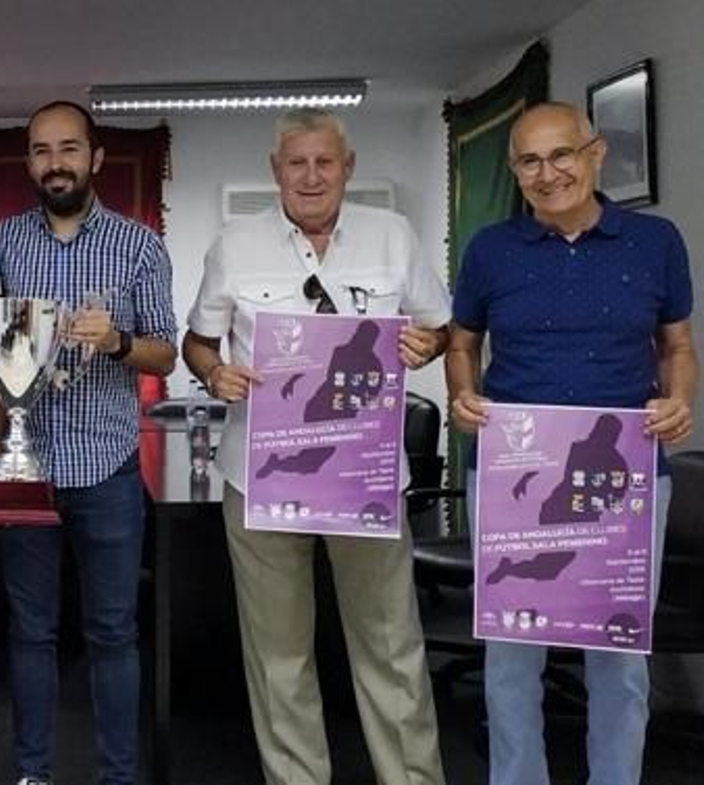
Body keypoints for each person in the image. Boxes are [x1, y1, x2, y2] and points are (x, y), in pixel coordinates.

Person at [181, 107, 450, 785]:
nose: (310, 176)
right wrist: (214, 373)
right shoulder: (235, 243)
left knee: (391, 646)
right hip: (262, 475)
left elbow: (441, 326)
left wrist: (428, 343)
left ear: (347, 166)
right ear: (275, 170)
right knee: (278, 656)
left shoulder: (393, 235)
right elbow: (199, 341)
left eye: (324, 161)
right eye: (296, 163)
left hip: (365, 477)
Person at [446, 101, 698, 785]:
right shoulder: (489, 249)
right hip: (515, 473)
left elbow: (677, 346)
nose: (547, 173)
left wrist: (679, 400)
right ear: (514, 172)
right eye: (529, 161)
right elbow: (462, 344)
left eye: (561, 155)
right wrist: (463, 392)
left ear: (595, 154)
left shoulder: (656, 241)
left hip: (628, 474)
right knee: (511, 652)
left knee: (618, 656)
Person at [0, 100, 176, 785]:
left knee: (113, 633)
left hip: (106, 469)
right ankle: (33, 774)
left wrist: (118, 341)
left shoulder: (138, 245)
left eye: (68, 149)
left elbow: (164, 352)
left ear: (96, 158)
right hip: (24, 466)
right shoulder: (2, 242)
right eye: (41, 150)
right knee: (30, 632)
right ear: (28, 161)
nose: (55, 163)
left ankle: (117, 777)